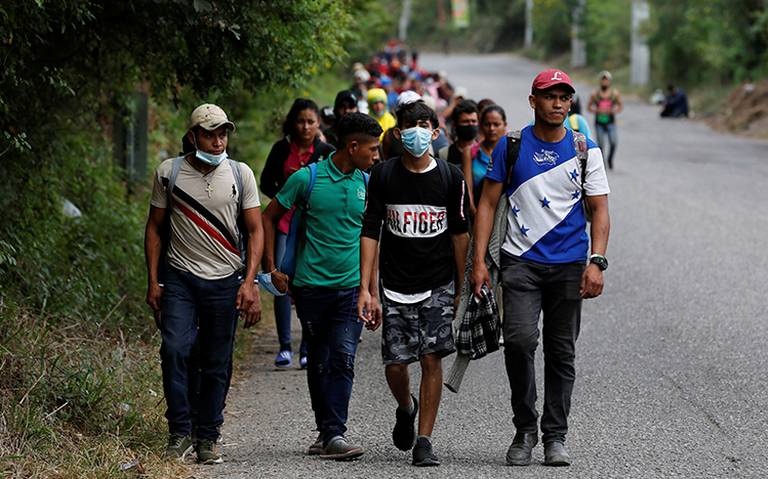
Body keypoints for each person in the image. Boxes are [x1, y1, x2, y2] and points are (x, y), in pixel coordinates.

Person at [472, 69, 610, 467]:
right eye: (550, 96)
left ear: (571, 103)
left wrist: (596, 262)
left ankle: (555, 436)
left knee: (561, 350)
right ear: (533, 101)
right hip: (521, 263)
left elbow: (600, 210)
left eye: (564, 97)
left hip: (569, 265)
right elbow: (486, 204)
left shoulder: (586, 150)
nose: (558, 103)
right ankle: (525, 428)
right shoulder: (511, 146)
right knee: (518, 341)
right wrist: (479, 262)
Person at [145, 103, 263, 464]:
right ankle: (180, 431)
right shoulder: (171, 173)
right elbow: (154, 228)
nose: (218, 140)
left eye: (223, 133)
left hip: (225, 280)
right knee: (175, 350)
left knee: (216, 360)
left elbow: (256, 230)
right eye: (210, 134)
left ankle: (208, 435)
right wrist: (153, 280)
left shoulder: (240, 174)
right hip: (179, 278)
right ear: (193, 135)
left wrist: (250, 282)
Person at [262, 112, 383, 461]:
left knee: (343, 357)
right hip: (311, 287)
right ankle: (325, 431)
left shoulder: (368, 183)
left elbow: (371, 240)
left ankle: (335, 433)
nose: (376, 156)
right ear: (352, 146)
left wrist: (371, 292)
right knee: (318, 358)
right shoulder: (307, 179)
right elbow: (268, 218)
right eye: (372, 149)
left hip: (350, 289)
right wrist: (272, 268)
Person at [358, 101, 470, 467]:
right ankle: (406, 407)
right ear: (398, 132)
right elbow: (371, 230)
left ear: (435, 132)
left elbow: (459, 233)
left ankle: (424, 439)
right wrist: (367, 288)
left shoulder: (451, 178)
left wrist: (461, 286)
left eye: (424, 124)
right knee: (395, 363)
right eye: (410, 125)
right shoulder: (384, 175)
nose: (417, 131)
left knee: (430, 357)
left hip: (437, 282)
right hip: (394, 284)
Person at [260, 99, 335, 369]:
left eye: (311, 122)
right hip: (283, 222)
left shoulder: (327, 151)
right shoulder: (281, 149)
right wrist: (285, 196)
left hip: (313, 227)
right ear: (293, 122)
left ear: (319, 125)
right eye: (301, 121)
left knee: (307, 284)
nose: (305, 126)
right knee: (281, 279)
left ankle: (306, 346)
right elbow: (266, 181)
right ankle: (284, 346)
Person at [465, 105, 507, 216]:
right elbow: (468, 188)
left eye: (496, 124)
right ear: (481, 126)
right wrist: (474, 212)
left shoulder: (511, 152)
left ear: (505, 125)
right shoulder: (470, 152)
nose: (491, 129)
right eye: (487, 124)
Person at [588, 71, 622, 170]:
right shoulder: (595, 94)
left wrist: (612, 111)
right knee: (601, 144)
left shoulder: (614, 94)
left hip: (611, 122)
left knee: (613, 142)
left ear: (610, 82)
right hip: (599, 123)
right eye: (603, 80)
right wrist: (597, 110)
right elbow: (589, 107)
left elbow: (620, 106)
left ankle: (610, 159)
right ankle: (602, 163)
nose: (604, 82)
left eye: (606, 80)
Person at [440, 99, 479, 167]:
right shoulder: (443, 155)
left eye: (473, 121)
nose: (470, 124)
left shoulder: (483, 153)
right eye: (465, 121)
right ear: (455, 125)